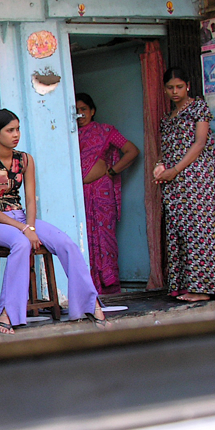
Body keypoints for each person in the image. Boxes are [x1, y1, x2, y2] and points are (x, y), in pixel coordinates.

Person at [0, 109, 108, 334]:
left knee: (66, 243)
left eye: (17, 129)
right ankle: (7, 313)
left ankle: (90, 304)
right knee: (21, 243)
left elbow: (30, 199)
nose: (16, 134)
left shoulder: (25, 159)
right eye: (10, 130)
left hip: (21, 218)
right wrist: (25, 229)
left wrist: (31, 226)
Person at [153, 67, 215, 301]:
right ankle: (183, 285)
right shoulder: (167, 118)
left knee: (201, 230)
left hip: (198, 179)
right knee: (181, 230)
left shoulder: (198, 108)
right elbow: (166, 149)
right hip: (175, 183)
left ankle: (203, 288)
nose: (175, 92)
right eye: (170, 88)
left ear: (188, 85)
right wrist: (160, 165)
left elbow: (199, 144)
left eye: (179, 86)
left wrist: (175, 170)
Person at [76, 93, 140, 295]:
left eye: (83, 109)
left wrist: (112, 171)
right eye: (76, 111)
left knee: (105, 238)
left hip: (102, 196)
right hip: (80, 197)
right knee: (82, 240)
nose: (80, 114)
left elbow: (132, 151)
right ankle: (89, 290)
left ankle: (109, 288)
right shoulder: (67, 136)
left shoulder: (106, 131)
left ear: (92, 111)